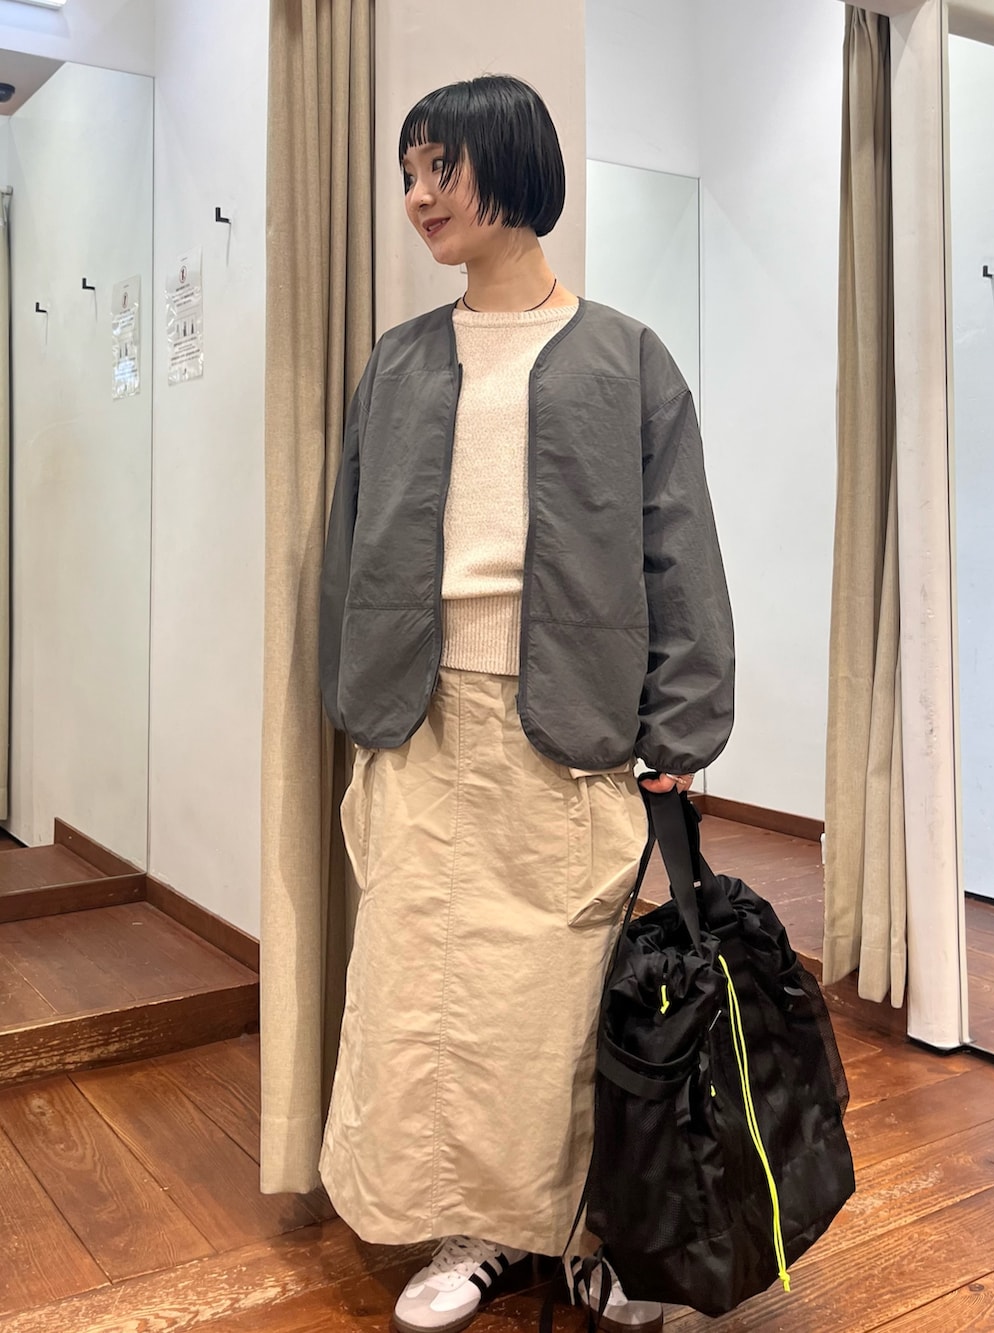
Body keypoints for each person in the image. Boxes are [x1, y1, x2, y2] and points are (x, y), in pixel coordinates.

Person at [318, 74, 735, 1333]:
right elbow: (351, 546)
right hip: (419, 716)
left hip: (568, 725)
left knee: (558, 1000)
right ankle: (477, 1229)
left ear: (513, 169)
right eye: (408, 173)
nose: (417, 197)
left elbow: (678, 551)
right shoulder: (399, 360)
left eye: (439, 168)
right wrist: (352, 698)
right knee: (422, 994)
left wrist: (681, 730)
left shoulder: (625, 356)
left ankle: (588, 1232)